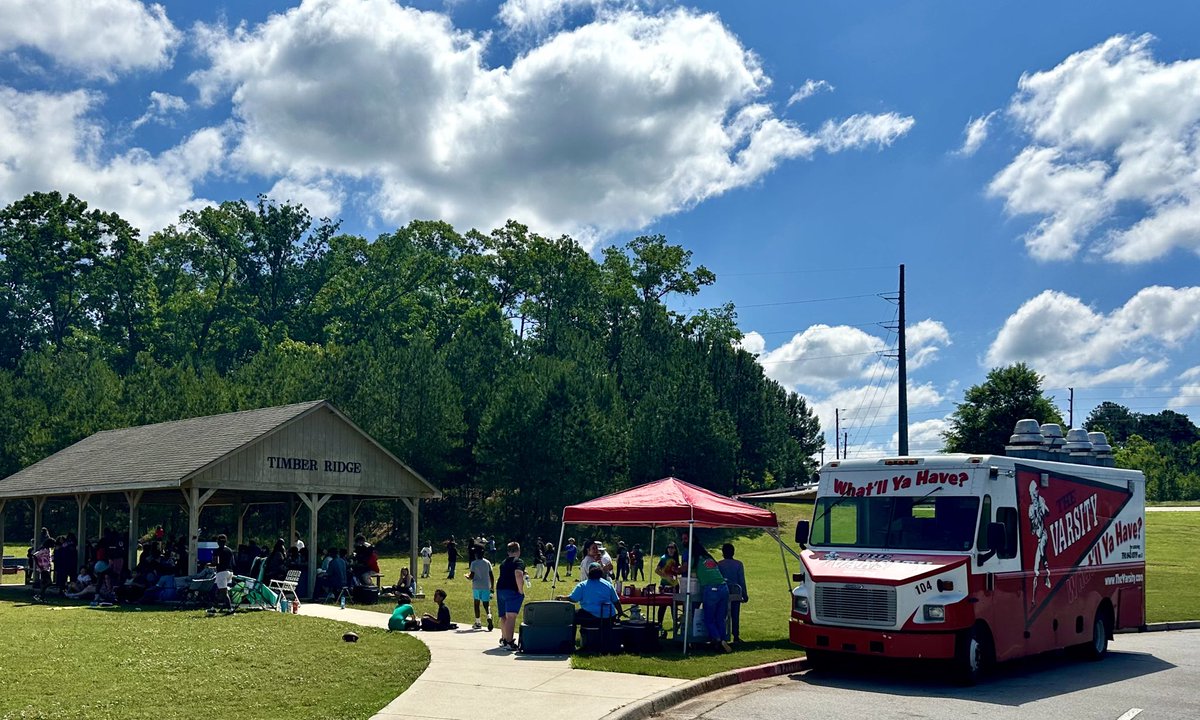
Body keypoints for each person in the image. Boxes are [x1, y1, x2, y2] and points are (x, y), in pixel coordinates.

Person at [693, 543, 732, 653]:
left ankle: (718, 640)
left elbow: (689, 572)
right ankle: (723, 639)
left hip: (711, 589)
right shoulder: (709, 558)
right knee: (720, 618)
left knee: (709, 618)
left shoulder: (695, 559)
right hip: (724, 588)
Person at [495, 541, 526, 650]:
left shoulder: (503, 562)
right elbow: (518, 574)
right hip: (511, 590)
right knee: (511, 616)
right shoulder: (519, 562)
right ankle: (509, 641)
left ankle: (504, 638)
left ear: (508, 552)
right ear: (518, 550)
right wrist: (520, 590)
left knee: (503, 616)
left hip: (500, 589)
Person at [717, 543, 748, 644]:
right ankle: (736, 636)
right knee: (735, 614)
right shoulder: (738, 564)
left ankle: (722, 635)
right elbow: (741, 580)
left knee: (722, 614)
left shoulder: (719, 564)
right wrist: (744, 594)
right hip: (735, 591)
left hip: (723, 591)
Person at [655, 542, 681, 630]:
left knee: (674, 606)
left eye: (672, 547)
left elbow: (678, 570)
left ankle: (675, 624)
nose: (670, 549)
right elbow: (657, 570)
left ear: (675, 549)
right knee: (662, 605)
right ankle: (659, 624)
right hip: (665, 585)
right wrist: (666, 576)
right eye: (669, 547)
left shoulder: (676, 558)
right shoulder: (663, 558)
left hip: (675, 585)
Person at [467, 545, 494, 631]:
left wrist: (467, 576)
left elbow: (472, 575)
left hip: (476, 586)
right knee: (486, 604)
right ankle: (489, 615)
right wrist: (492, 586)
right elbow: (491, 575)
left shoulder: (474, 563)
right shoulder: (487, 562)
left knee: (476, 604)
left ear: (476, 555)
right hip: (486, 586)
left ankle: (478, 622)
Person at [208, 534, 235, 615]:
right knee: (218, 591)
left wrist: (208, 565)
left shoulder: (217, 551)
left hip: (221, 572)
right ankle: (213, 608)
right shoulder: (230, 550)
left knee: (224, 592)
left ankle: (230, 609)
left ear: (218, 542)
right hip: (230, 572)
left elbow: (215, 563)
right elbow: (233, 563)